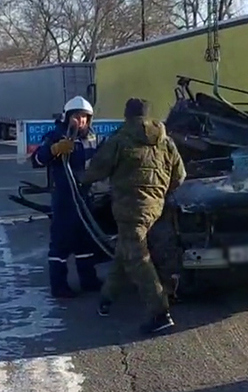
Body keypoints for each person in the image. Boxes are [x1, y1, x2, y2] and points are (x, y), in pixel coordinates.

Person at [81, 98, 187, 335]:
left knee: (138, 259)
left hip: (130, 209)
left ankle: (160, 313)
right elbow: (180, 175)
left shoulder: (119, 139)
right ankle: (107, 299)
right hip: (156, 207)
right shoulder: (165, 141)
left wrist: (81, 178)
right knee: (125, 250)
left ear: (126, 115)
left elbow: (96, 170)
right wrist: (159, 193)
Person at [32, 96, 103, 298]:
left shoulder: (93, 138)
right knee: (61, 242)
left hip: (85, 196)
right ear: (68, 117)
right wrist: (54, 149)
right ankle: (59, 285)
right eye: (77, 116)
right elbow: (36, 160)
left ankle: (88, 280)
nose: (81, 121)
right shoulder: (56, 136)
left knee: (85, 241)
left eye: (84, 117)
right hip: (65, 197)